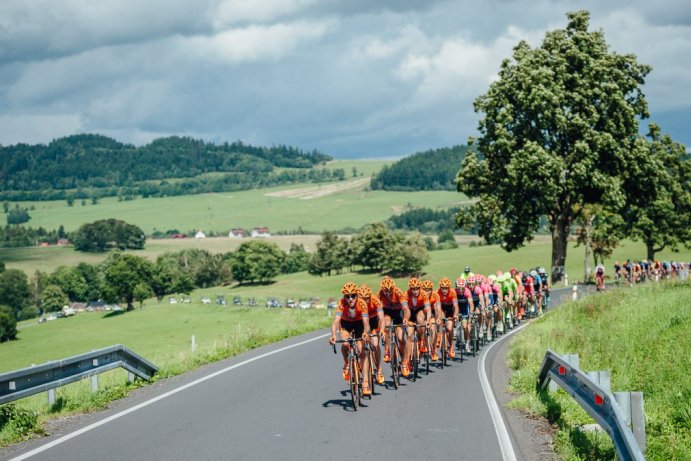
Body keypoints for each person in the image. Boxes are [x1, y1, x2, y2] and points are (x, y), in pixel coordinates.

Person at [328, 282, 371, 394]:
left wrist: (365, 333)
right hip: (346, 324)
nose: (350, 299)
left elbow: (366, 323)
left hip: (359, 324)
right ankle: (347, 364)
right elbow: (336, 321)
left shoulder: (362, 304)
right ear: (344, 297)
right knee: (345, 343)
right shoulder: (341, 304)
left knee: (362, 351)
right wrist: (333, 335)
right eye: (347, 296)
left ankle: (365, 382)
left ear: (357, 295)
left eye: (353, 296)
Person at [378, 276, 410, 376]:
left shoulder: (398, 292)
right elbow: (376, 309)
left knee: (400, 338)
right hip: (387, 312)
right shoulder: (379, 294)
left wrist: (406, 318)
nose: (388, 293)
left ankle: (405, 362)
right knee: (386, 325)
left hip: (398, 312)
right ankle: (387, 350)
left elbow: (406, 308)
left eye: (390, 290)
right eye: (385, 291)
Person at [359, 284, 386, 385]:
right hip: (361, 322)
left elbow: (382, 319)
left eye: (367, 299)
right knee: (360, 345)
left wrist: (382, 330)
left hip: (373, 321)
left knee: (375, 345)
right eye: (363, 299)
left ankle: (379, 370)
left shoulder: (375, 300)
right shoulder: (357, 303)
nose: (365, 301)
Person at [405, 278, 431, 377]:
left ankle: (422, 340)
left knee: (421, 320)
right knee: (410, 335)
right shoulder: (406, 294)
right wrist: (405, 319)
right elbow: (404, 309)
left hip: (419, 310)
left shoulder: (423, 294)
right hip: (410, 312)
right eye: (413, 289)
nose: (415, 291)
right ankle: (407, 360)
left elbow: (428, 310)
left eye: (417, 289)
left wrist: (428, 321)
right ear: (410, 289)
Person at [437, 277, 458, 359]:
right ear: (440, 288)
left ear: (449, 288)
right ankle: (439, 334)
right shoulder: (437, 293)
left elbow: (456, 306)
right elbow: (437, 307)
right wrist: (438, 316)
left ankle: (451, 346)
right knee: (440, 317)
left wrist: (455, 315)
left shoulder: (452, 293)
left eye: (446, 288)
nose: (444, 290)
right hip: (441, 309)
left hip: (450, 310)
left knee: (449, 328)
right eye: (443, 288)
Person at [421, 279, 440, 361]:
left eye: (429, 290)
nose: (427, 292)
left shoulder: (435, 295)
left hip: (431, 314)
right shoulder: (420, 295)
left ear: (432, 290)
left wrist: (437, 318)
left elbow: (437, 309)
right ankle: (421, 344)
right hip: (421, 314)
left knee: (433, 329)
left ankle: (433, 350)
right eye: (425, 290)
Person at [456, 276, 475, 353]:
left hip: (464, 309)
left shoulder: (467, 291)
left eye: (462, 288)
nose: (460, 290)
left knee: (465, 327)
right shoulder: (454, 292)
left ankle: (467, 342)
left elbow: (471, 305)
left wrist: (470, 314)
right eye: (459, 288)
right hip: (457, 308)